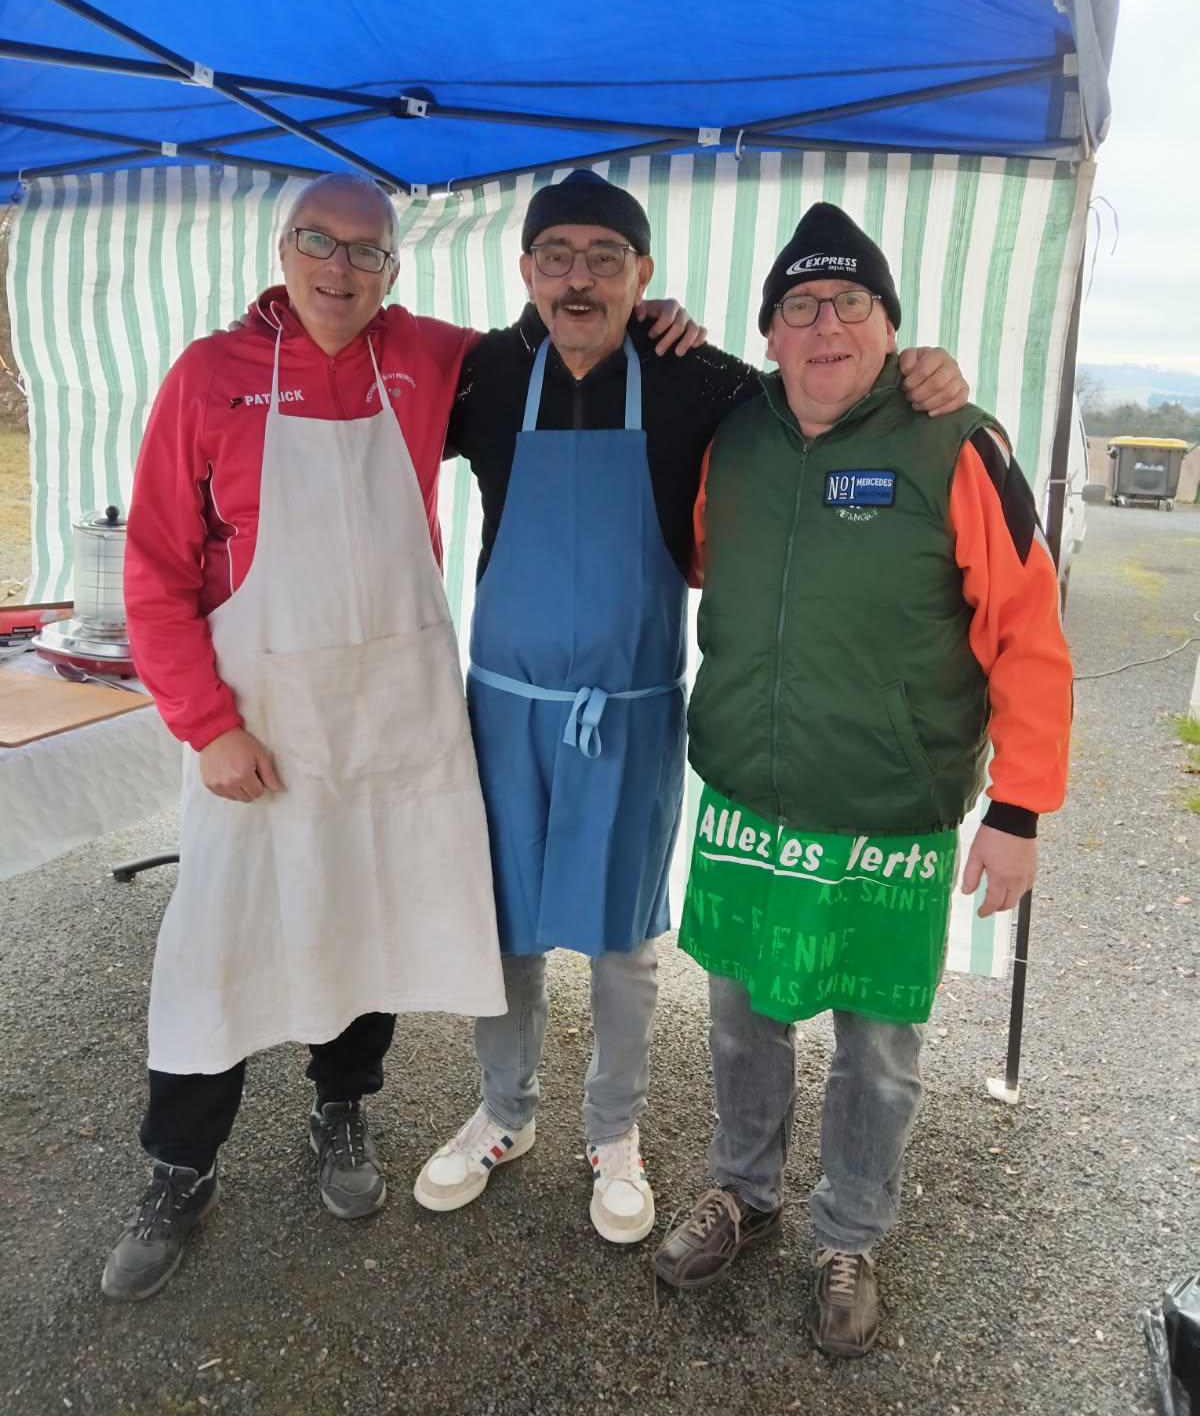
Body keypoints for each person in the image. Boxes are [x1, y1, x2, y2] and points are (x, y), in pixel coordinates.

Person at [413, 172, 970, 1246]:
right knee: (504, 927)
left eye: (606, 258)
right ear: (524, 268)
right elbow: (365, 402)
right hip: (505, 706)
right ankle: (502, 1110)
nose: (581, 278)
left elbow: (825, 394)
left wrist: (919, 370)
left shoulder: (697, 380)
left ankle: (613, 1133)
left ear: (645, 275)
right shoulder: (480, 373)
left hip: (630, 709)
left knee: (624, 939)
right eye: (558, 255)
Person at [651, 203, 1073, 1356]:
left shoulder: (958, 440)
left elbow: (1030, 633)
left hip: (892, 815)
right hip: (749, 801)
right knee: (741, 1018)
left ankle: (849, 1231)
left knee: (876, 1048)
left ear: (892, 328)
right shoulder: (732, 438)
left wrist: (1021, 807)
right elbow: (700, 561)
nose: (825, 325)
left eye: (852, 304)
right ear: (771, 331)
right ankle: (742, 1188)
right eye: (801, 304)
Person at [104, 173, 518, 1300]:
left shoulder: (433, 358)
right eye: (320, 243)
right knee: (217, 940)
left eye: (368, 251)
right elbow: (152, 572)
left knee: (365, 905)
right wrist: (208, 726)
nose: (342, 269)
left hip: (391, 714)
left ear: (395, 268)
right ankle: (179, 1165)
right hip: (260, 727)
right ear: (282, 248)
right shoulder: (210, 375)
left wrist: (669, 328)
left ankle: (344, 1109)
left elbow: (572, 351)